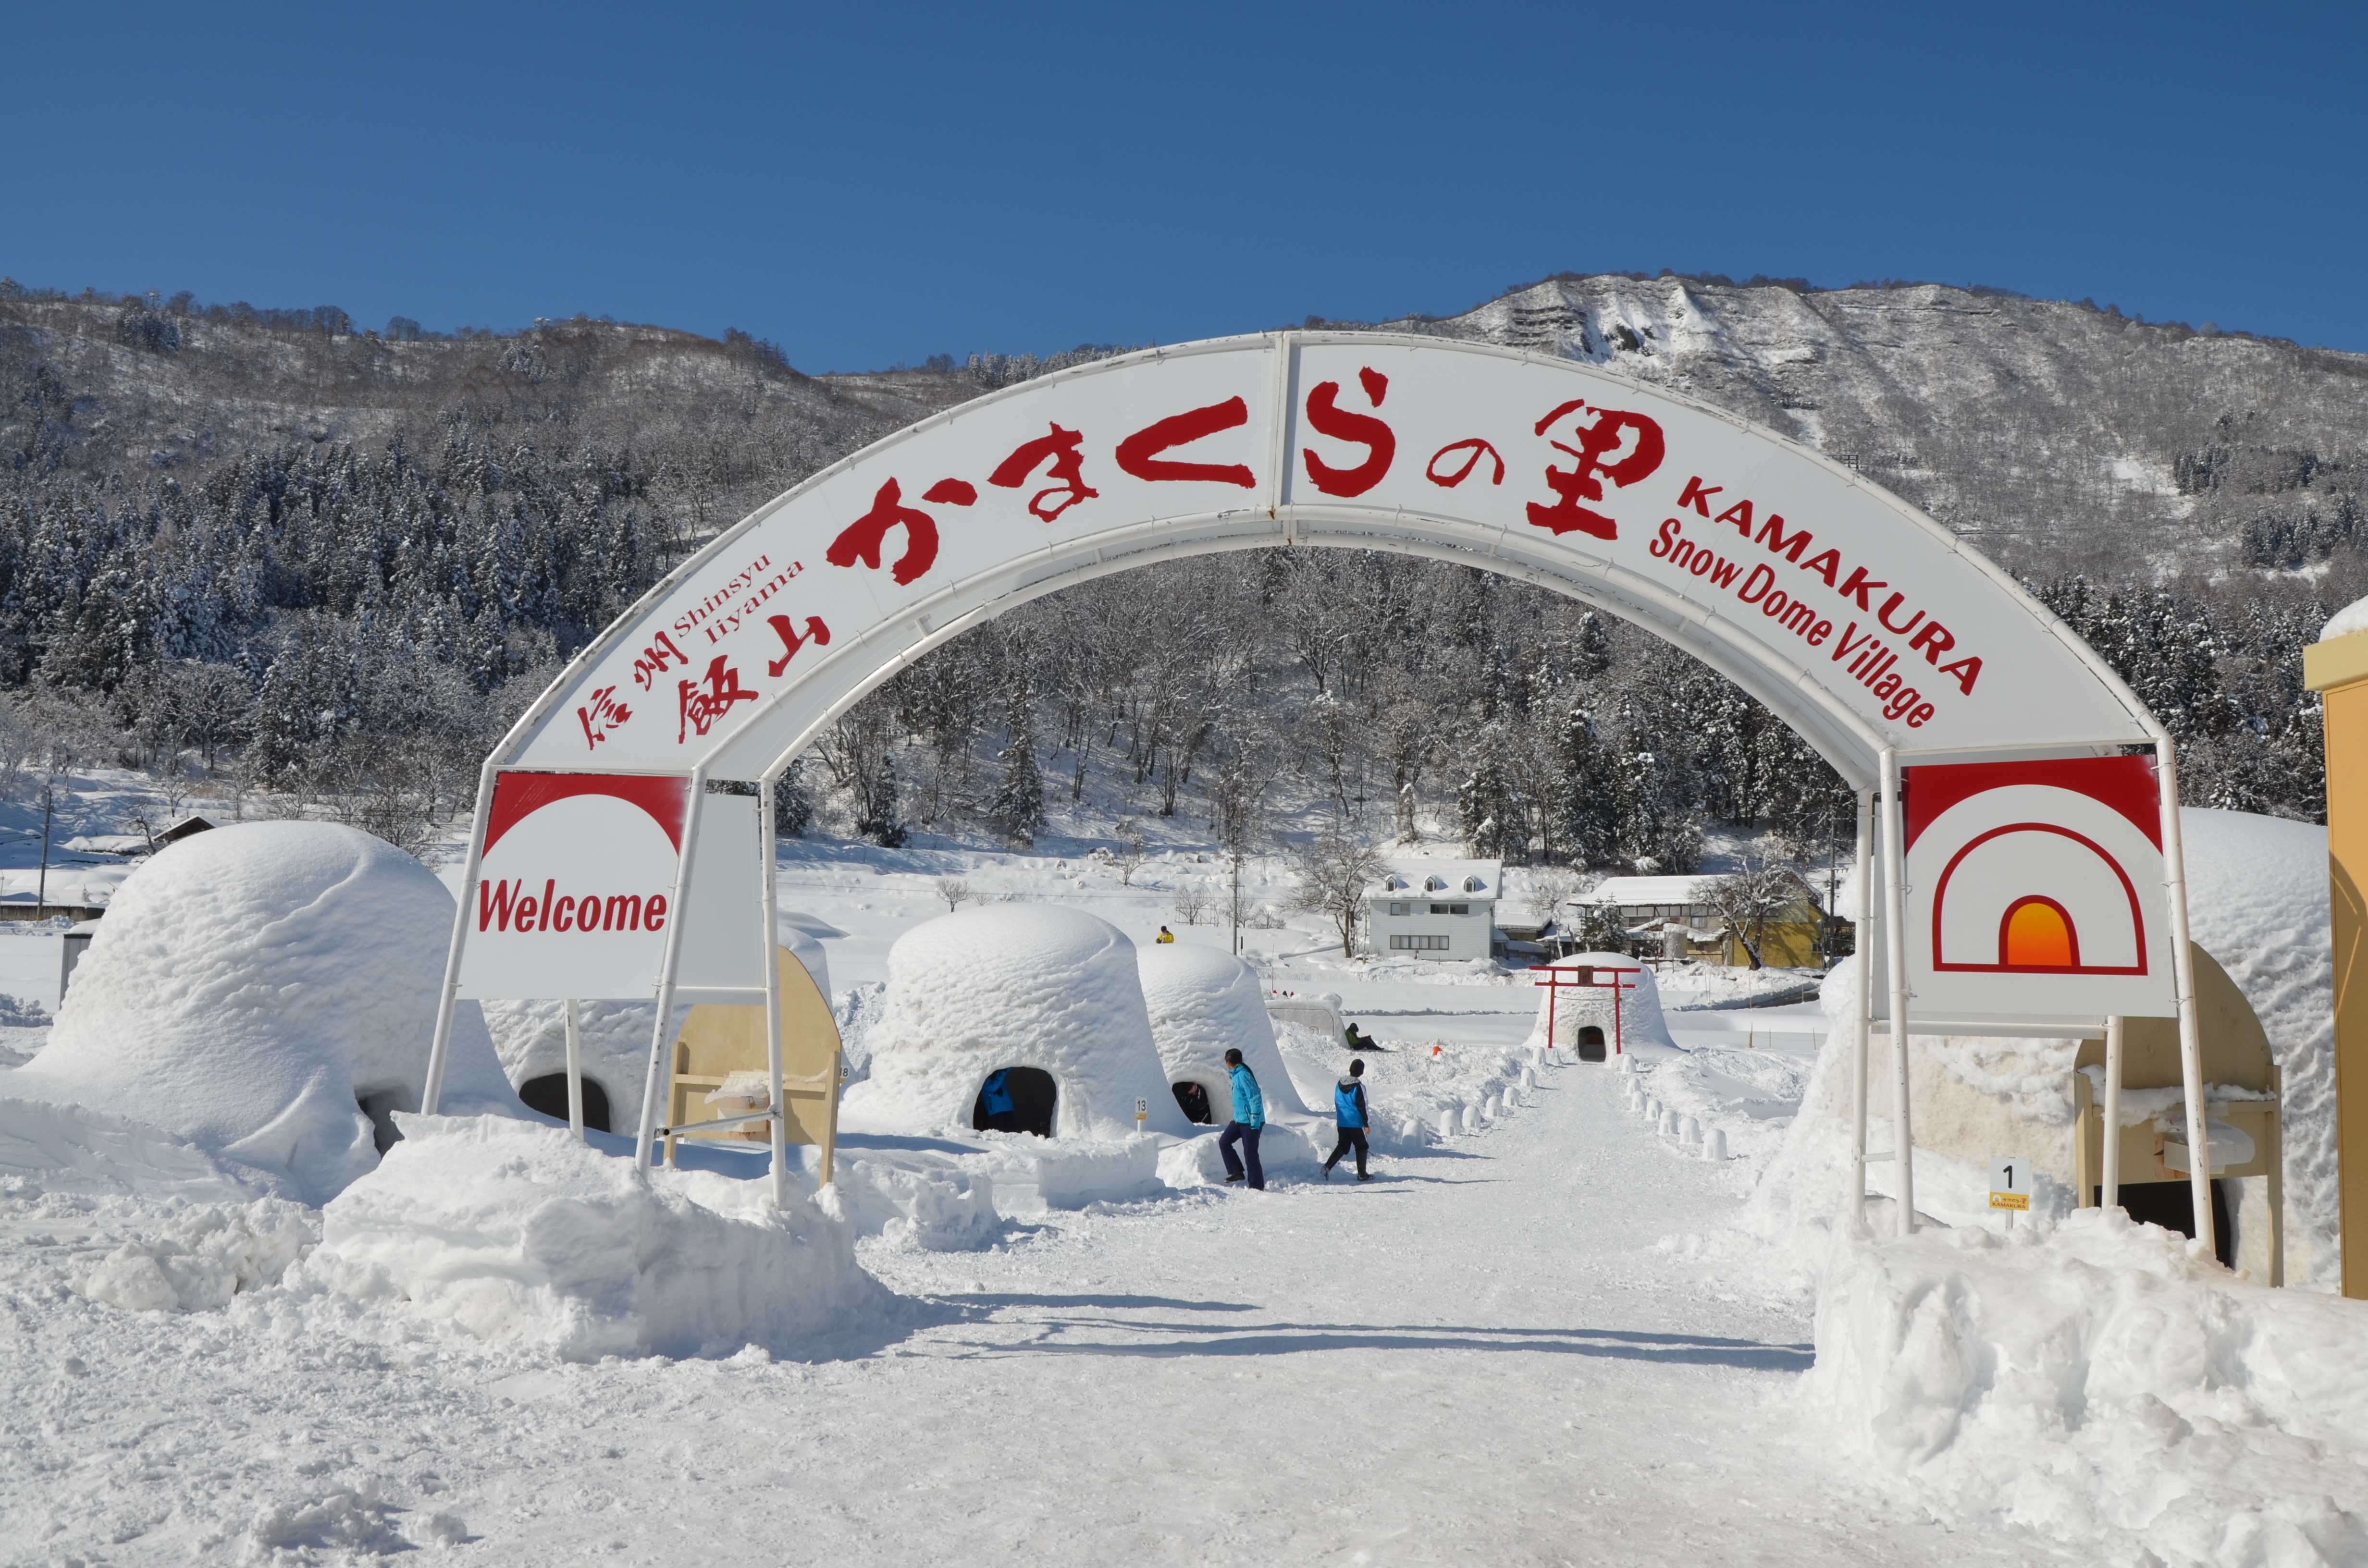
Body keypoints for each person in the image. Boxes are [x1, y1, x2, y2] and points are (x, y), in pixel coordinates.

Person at [1218, 1047, 1265, 1189]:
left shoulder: (1243, 1076)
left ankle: (1256, 1186)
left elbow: (1255, 1098)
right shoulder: (1237, 1075)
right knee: (1224, 1142)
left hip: (1250, 1122)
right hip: (1239, 1120)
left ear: (1228, 1062)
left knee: (1250, 1154)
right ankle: (1236, 1172)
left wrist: (1255, 1122)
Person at [1325, 1057, 1372, 1181]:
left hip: (1342, 1120)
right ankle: (1362, 1174)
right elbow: (1364, 1106)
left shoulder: (1339, 1083)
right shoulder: (1359, 1086)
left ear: (1350, 1069)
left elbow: (1337, 1101)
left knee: (1343, 1146)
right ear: (1362, 1073)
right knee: (1362, 1146)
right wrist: (1367, 1123)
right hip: (1356, 1122)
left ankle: (1327, 1167)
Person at [978, 1067, 1018, 1133]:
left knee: (1012, 1133)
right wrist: (1003, 1072)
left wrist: (1007, 1064)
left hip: (1008, 1108)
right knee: (1000, 1133)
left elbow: (1009, 1065)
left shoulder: (999, 1076)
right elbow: (993, 1087)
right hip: (996, 1111)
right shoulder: (983, 1080)